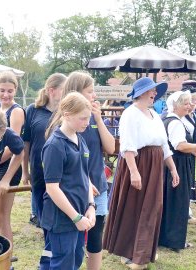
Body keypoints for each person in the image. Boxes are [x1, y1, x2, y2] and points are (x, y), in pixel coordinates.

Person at [103, 77, 179, 270]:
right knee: (134, 208)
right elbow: (127, 146)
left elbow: (164, 145)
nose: (154, 94)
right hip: (137, 164)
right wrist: (134, 172)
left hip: (155, 166)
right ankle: (130, 253)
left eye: (155, 91)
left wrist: (172, 168)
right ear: (142, 93)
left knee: (152, 207)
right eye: (151, 91)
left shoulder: (154, 114)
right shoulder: (130, 114)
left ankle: (141, 251)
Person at [62, 71, 115, 270]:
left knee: (95, 234)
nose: (94, 96)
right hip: (74, 189)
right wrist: (85, 181)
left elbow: (110, 148)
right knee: (72, 237)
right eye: (90, 91)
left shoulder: (93, 118)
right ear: (76, 93)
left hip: (97, 186)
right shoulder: (66, 121)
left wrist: (99, 119)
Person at [42, 92, 96, 270]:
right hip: (62, 219)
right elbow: (52, 188)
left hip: (80, 214)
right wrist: (76, 217)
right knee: (61, 263)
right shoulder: (55, 145)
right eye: (82, 118)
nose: (87, 123)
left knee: (76, 259)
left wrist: (90, 206)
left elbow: (85, 175)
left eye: (88, 118)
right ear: (66, 115)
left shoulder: (79, 138)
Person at [21, 73, 67, 268]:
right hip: (40, 174)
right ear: (51, 90)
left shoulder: (66, 112)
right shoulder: (32, 110)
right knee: (43, 217)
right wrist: (25, 171)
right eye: (64, 90)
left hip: (62, 173)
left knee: (58, 216)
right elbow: (26, 144)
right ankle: (50, 254)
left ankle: (52, 257)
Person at [159, 91, 196, 253]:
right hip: (177, 164)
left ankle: (166, 237)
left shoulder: (169, 119)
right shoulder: (175, 122)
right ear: (175, 105)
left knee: (170, 202)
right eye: (184, 103)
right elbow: (180, 145)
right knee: (178, 203)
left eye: (188, 103)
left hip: (173, 163)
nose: (188, 106)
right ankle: (174, 240)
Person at [0, 71, 25, 243]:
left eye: (10, 91)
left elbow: (14, 147)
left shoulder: (16, 111)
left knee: (2, 217)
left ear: (15, 90)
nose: (6, 94)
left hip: (9, 165)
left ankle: (7, 260)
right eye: (2, 90)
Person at [180, 80, 196, 224]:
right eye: (191, 100)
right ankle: (185, 213)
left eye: (195, 100)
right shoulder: (181, 117)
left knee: (189, 182)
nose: (194, 103)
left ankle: (187, 212)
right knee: (184, 183)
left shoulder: (192, 116)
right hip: (184, 153)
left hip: (191, 153)